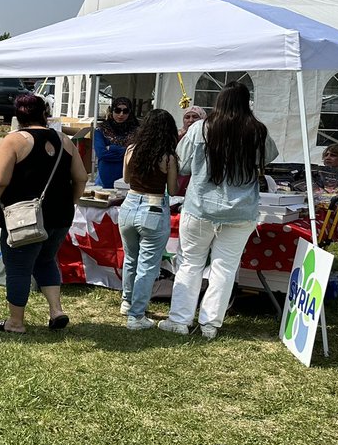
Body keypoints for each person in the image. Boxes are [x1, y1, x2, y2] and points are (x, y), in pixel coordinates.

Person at [161, 82, 278, 340]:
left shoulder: (200, 128)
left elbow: (182, 166)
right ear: (246, 102)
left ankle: (179, 320)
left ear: (219, 101)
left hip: (200, 207)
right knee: (224, 268)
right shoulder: (257, 131)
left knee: (190, 263)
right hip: (240, 211)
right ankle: (210, 324)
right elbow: (267, 159)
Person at [0, 92, 88, 333]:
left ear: (17, 116)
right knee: (46, 260)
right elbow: (81, 177)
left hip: (24, 218)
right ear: (44, 113)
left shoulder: (14, 140)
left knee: (18, 267)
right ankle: (56, 310)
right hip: (59, 216)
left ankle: (16, 322)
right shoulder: (64, 140)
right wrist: (70, 202)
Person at [117, 109, 179, 331]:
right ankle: (136, 315)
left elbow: (126, 179)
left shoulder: (131, 149)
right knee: (147, 265)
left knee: (130, 258)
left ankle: (127, 302)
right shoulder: (168, 157)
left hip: (129, 204)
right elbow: (173, 189)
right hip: (153, 207)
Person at [94, 98, 139, 187]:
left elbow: (136, 154)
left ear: (130, 113)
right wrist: (126, 152)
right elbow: (101, 154)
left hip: (127, 179)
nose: (121, 114)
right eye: (117, 110)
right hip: (105, 177)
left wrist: (112, 148)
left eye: (125, 111)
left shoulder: (137, 131)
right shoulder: (101, 130)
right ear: (112, 111)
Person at [177, 105, 207, 193]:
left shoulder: (207, 137)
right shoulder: (176, 136)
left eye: (195, 117)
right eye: (187, 117)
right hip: (180, 180)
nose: (191, 120)